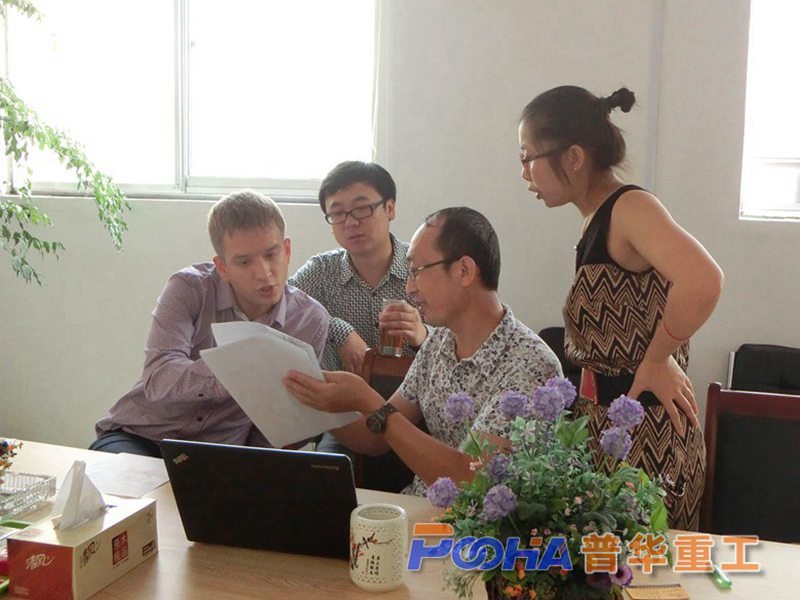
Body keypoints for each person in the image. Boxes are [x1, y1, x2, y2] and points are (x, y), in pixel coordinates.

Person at [518, 85, 724, 530]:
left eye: (528, 157)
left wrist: (658, 357)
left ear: (574, 156)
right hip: (610, 430)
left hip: (649, 437)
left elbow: (704, 281)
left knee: (645, 567)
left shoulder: (630, 207)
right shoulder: (595, 218)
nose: (524, 172)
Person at [284, 207, 562, 496]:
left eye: (416, 272)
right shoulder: (439, 342)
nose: (409, 288)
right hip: (416, 506)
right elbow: (375, 435)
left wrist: (368, 400)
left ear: (464, 271)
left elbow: (473, 480)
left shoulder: (529, 363)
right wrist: (318, 402)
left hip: (474, 519)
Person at [92, 190, 329, 457]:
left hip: (219, 452)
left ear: (286, 250)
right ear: (223, 267)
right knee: (120, 476)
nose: (264, 273)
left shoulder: (310, 320)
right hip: (142, 434)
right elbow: (159, 378)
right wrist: (231, 371)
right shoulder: (189, 288)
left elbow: (278, 426)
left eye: (271, 255)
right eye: (244, 262)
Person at [288, 160, 427, 376]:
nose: (350, 223)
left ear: (390, 209)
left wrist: (423, 335)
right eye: (337, 213)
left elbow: (464, 340)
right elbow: (280, 304)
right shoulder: (321, 270)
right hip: (336, 395)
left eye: (361, 209)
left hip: (412, 395)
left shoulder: (424, 268)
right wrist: (337, 330)